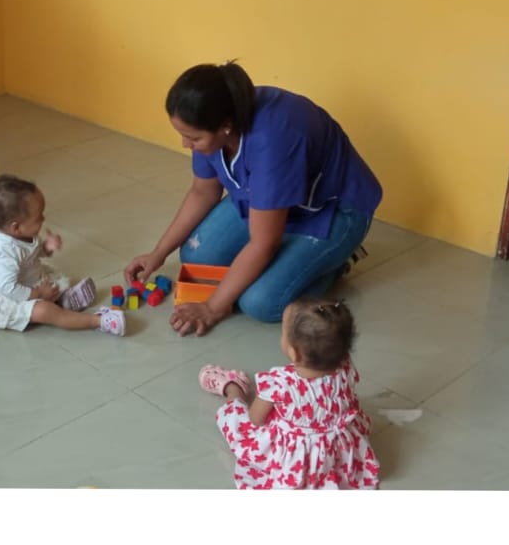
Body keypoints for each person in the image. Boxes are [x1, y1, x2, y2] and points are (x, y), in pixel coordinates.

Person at [125, 61, 381, 335]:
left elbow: (264, 243)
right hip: (268, 200)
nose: (185, 145)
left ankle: (337, 261)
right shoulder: (217, 115)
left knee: (259, 302)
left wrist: (213, 307)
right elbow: (203, 191)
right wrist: (159, 253)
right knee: (196, 257)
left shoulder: (273, 139)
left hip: (333, 210)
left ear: (225, 126)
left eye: (193, 138)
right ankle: (290, 256)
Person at [199, 298, 380, 489]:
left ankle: (233, 388)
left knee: (240, 424)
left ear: (294, 353)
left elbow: (256, 419)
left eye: (283, 332)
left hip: (294, 455)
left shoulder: (280, 382)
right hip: (335, 450)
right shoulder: (346, 367)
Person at [0, 175, 120, 336]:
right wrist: (38, 294)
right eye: (39, 217)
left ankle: (63, 300)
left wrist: (46, 247)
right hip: (9, 299)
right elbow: (9, 288)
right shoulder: (5, 251)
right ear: (16, 227)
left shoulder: (20, 233)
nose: (43, 218)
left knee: (52, 282)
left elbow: (31, 254)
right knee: (45, 311)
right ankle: (99, 321)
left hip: (28, 281)